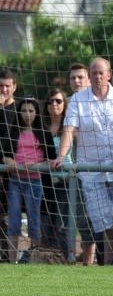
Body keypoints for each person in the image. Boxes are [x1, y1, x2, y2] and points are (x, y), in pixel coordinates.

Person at [51, 57, 113, 266]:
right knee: (101, 218)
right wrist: (61, 155)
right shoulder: (77, 99)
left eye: (101, 72)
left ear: (109, 75)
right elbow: (68, 129)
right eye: (93, 73)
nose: (97, 76)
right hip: (91, 169)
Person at [2, 98, 57, 263]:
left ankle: (34, 257)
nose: (27, 114)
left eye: (31, 111)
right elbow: (5, 156)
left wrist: (34, 166)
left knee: (34, 220)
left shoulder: (43, 133)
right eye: (24, 111)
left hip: (35, 182)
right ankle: (12, 261)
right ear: (19, 113)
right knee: (13, 220)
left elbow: (52, 160)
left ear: (36, 113)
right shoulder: (13, 132)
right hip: (15, 182)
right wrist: (14, 164)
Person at [40, 88, 76, 263]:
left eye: (58, 101)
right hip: (44, 180)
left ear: (65, 104)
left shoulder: (70, 128)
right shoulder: (41, 127)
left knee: (62, 223)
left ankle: (66, 260)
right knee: (45, 223)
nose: (54, 104)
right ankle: (47, 259)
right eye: (50, 101)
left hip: (65, 180)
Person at [68, 63, 98, 265]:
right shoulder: (71, 102)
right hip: (77, 168)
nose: (77, 81)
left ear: (88, 79)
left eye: (80, 77)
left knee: (95, 218)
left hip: (98, 168)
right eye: (73, 78)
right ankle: (87, 259)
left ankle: (94, 259)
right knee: (81, 218)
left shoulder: (96, 101)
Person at [0, 68, 18, 262]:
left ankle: (8, 257)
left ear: (14, 86)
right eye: (1, 86)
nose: (4, 90)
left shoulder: (20, 110)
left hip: (14, 171)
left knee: (11, 218)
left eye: (7, 86)